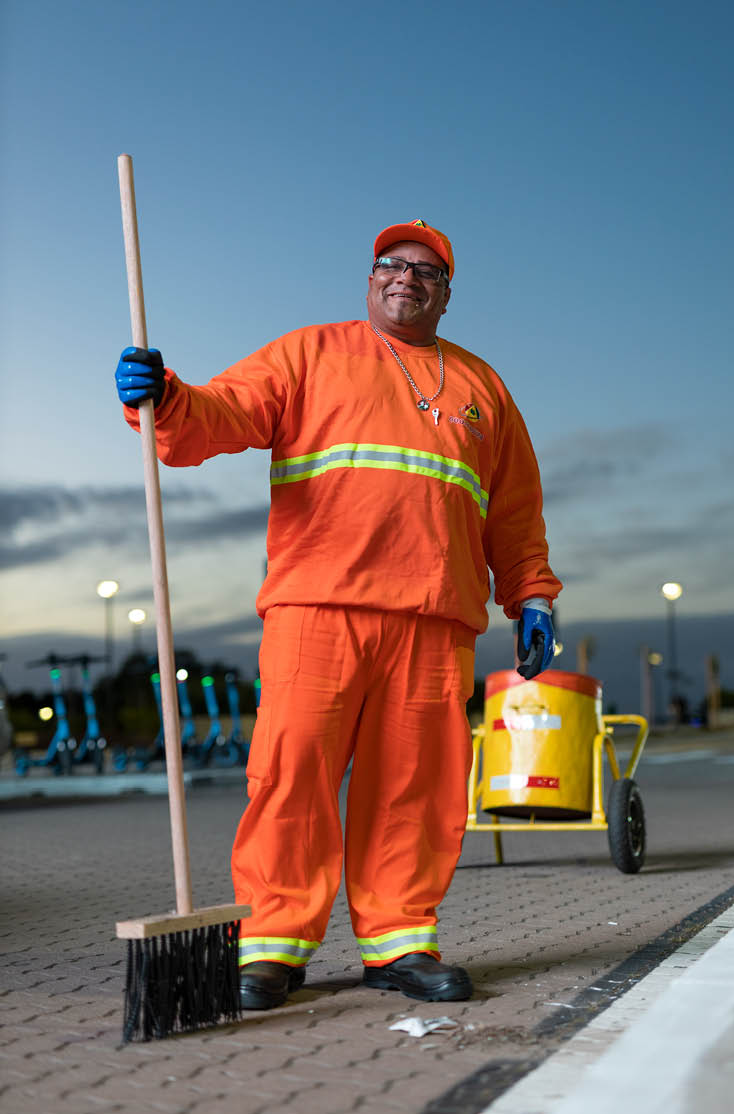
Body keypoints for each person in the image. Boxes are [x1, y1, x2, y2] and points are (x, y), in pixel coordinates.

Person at [115, 219, 562, 1009]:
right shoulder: (308, 355)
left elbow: (514, 512)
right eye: (391, 265)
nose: (406, 278)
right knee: (291, 777)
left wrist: (529, 594)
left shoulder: (483, 390)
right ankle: (271, 945)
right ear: (369, 280)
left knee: (415, 790)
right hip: (317, 607)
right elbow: (219, 415)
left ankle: (399, 943)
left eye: (426, 271)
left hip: (432, 618)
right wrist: (167, 398)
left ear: (446, 294)